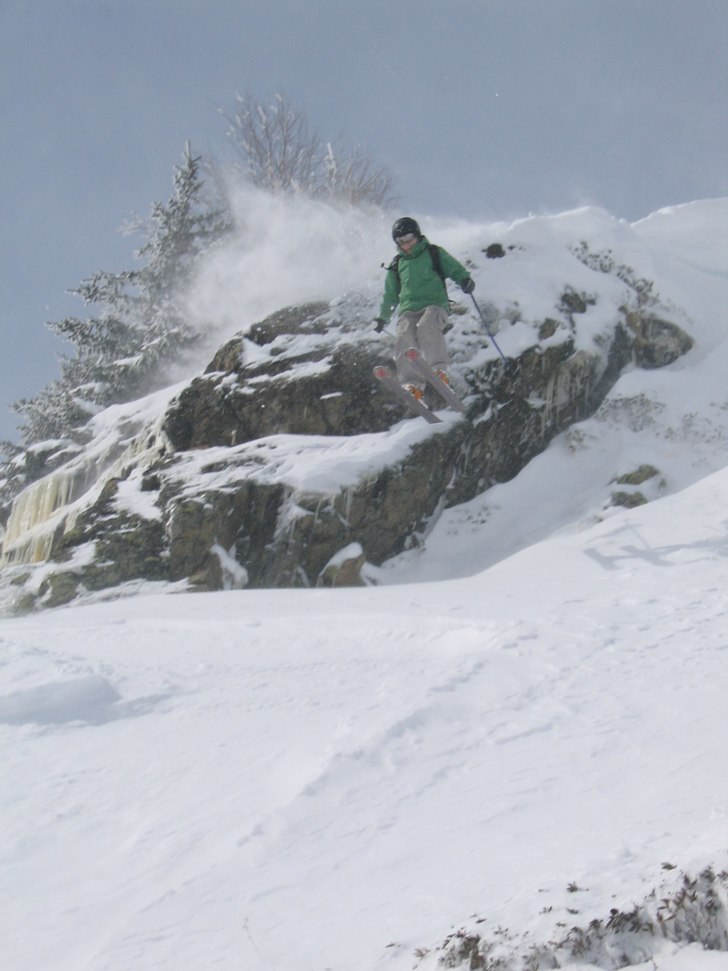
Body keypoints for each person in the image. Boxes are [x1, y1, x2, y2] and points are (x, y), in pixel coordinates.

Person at [373, 217, 475, 399]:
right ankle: (412, 384)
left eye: (409, 239)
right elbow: (390, 295)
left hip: (435, 305)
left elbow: (454, 268)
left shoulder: (433, 253)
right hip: (408, 310)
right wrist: (383, 317)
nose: (406, 245)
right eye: (401, 242)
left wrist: (464, 279)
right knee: (405, 336)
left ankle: (439, 370)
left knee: (426, 327)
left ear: (418, 236)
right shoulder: (398, 264)